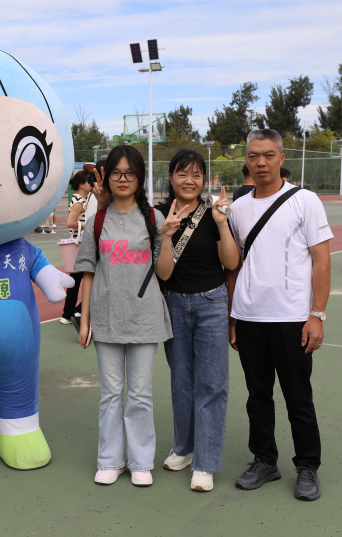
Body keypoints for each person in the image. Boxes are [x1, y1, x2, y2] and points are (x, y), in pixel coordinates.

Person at [226, 128, 332, 501]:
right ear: (247, 160)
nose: (261, 163)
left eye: (269, 155)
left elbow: (322, 260)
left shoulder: (305, 201)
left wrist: (316, 315)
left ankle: (307, 466)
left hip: (292, 319)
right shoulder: (238, 208)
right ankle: (264, 461)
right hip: (249, 318)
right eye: (254, 156)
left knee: (298, 397)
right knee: (258, 396)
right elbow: (234, 266)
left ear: (281, 158)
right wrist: (233, 316)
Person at [75, 145, 172, 488]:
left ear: (140, 178)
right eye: (116, 172)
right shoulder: (98, 220)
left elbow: (164, 272)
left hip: (145, 317)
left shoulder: (154, 218)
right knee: (111, 393)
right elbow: (88, 271)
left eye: (130, 173)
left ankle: (141, 461)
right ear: (108, 177)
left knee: (140, 393)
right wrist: (85, 319)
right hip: (106, 317)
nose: (123, 179)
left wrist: (168, 238)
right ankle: (110, 460)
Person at [154, 149, 240, 492]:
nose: (189, 181)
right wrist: (165, 235)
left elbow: (231, 262)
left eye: (196, 175)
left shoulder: (214, 212)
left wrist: (221, 223)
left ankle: (205, 462)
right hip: (174, 303)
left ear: (204, 179)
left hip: (212, 303)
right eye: (182, 173)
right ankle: (185, 447)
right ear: (170, 177)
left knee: (212, 383)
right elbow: (163, 273)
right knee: (181, 381)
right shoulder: (160, 214)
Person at [60, 170, 93, 325]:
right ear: (81, 185)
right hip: (79, 244)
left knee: (77, 279)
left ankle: (70, 313)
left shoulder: (83, 199)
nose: (92, 184)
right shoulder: (79, 201)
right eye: (89, 182)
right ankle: (71, 312)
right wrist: (90, 225)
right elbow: (70, 223)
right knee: (83, 279)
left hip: (80, 244)